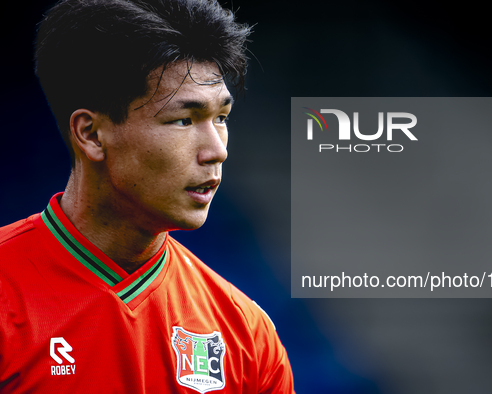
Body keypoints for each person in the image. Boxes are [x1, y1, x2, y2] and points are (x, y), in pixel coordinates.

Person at [0, 0, 295, 392]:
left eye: (221, 117)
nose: (217, 150)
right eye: (183, 120)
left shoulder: (246, 332)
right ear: (90, 134)